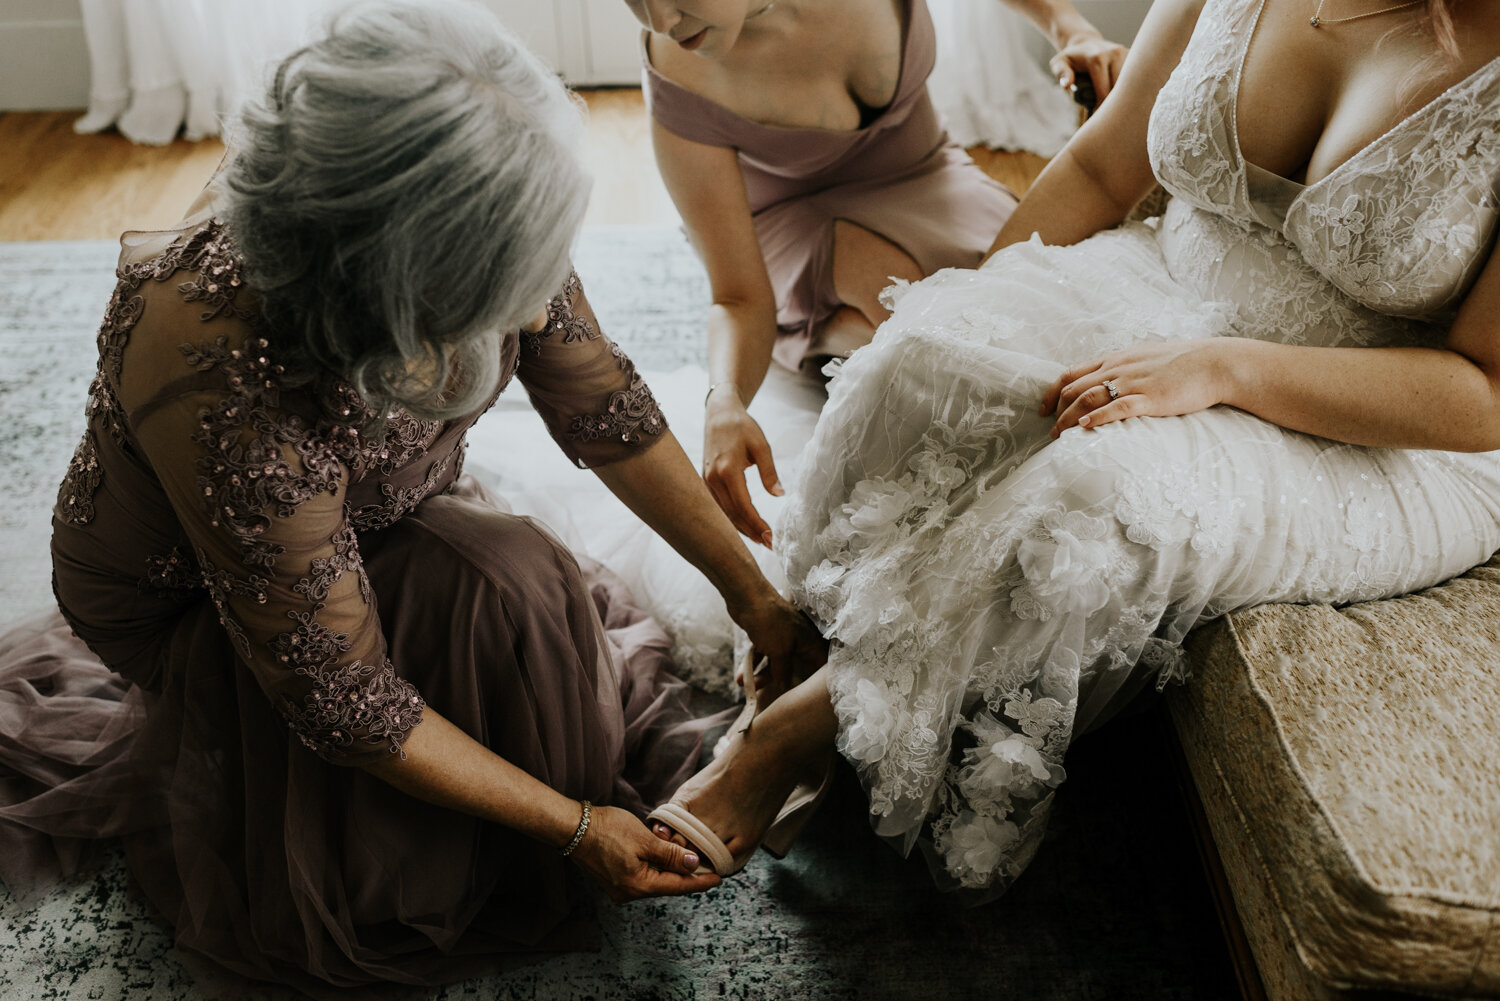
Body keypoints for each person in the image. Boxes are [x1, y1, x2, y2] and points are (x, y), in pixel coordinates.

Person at [0, 0, 824, 991]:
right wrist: (574, 830)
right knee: (505, 581)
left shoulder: (477, 199)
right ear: (398, 285)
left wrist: (756, 597)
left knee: (521, 584)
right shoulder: (223, 375)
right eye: (508, 289)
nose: (534, 306)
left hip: (357, 503)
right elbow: (346, 702)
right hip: (188, 600)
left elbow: (600, 406)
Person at [646, 0, 1500, 894]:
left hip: (1389, 427)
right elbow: (1100, 167)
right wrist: (967, 308)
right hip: (1167, 285)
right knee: (923, 360)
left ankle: (788, 734)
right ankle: (819, 628)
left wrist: (1225, 370)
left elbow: (1484, 390)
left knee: (1096, 495)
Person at [625, 0, 1129, 546]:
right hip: (792, 220)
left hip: (928, 176)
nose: (661, 22)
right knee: (931, 343)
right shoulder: (681, 65)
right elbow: (737, 297)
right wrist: (723, 398)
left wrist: (1071, 28)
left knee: (1035, 300)